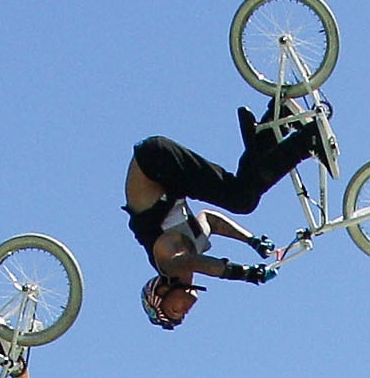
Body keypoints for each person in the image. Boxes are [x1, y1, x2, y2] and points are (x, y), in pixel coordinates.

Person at [129, 103, 337, 329]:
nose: (185, 311)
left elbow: (196, 263)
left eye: (174, 310)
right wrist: (252, 240)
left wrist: (244, 273)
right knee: (244, 190)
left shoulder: (167, 263)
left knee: (241, 199)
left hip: (153, 164)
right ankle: (273, 125)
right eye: (182, 315)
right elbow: (210, 220)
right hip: (164, 173)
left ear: (162, 290)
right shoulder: (191, 246)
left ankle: (307, 142)